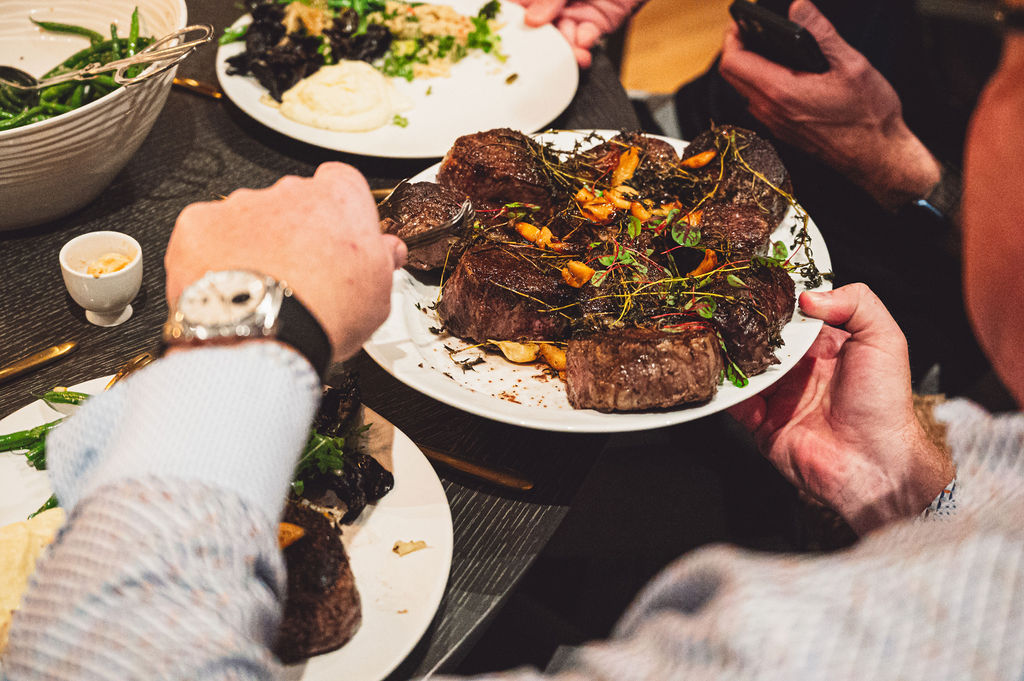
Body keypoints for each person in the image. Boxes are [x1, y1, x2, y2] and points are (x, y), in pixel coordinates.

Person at [6, 18, 1024, 678]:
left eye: (1008, 50)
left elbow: (99, 655)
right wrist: (909, 493)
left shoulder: (807, 645)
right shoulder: (989, 482)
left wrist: (243, 333)